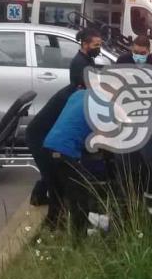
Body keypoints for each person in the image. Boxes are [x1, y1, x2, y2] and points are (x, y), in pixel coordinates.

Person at [43, 89, 108, 233]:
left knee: (61, 194)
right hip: (65, 150)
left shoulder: (79, 94)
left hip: (49, 145)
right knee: (80, 195)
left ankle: (53, 229)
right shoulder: (106, 105)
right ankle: (78, 239)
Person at [25, 83, 79, 222]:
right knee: (53, 177)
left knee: (51, 171)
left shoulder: (71, 91)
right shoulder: (69, 97)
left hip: (44, 134)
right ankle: (53, 220)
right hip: (39, 135)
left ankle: (38, 197)